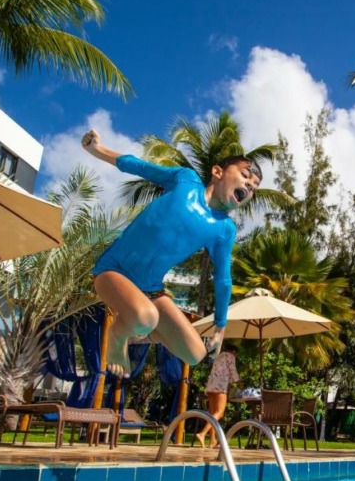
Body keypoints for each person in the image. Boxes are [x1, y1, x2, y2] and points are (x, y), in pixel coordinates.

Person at [81, 129, 261, 377]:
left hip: (151, 289)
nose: (248, 187)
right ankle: (118, 335)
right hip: (113, 271)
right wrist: (97, 150)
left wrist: (220, 326)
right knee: (145, 317)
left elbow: (223, 279)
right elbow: (140, 167)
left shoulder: (224, 229)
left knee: (195, 354)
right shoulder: (185, 181)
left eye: (253, 188)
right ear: (218, 172)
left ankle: (147, 326)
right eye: (244, 176)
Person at [195, 341, 241, 448]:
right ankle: (202, 434)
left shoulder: (219, 356)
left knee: (212, 414)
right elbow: (233, 372)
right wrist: (239, 382)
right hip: (220, 386)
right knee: (219, 413)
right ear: (234, 352)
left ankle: (212, 441)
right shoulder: (230, 356)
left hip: (211, 386)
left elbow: (222, 372)